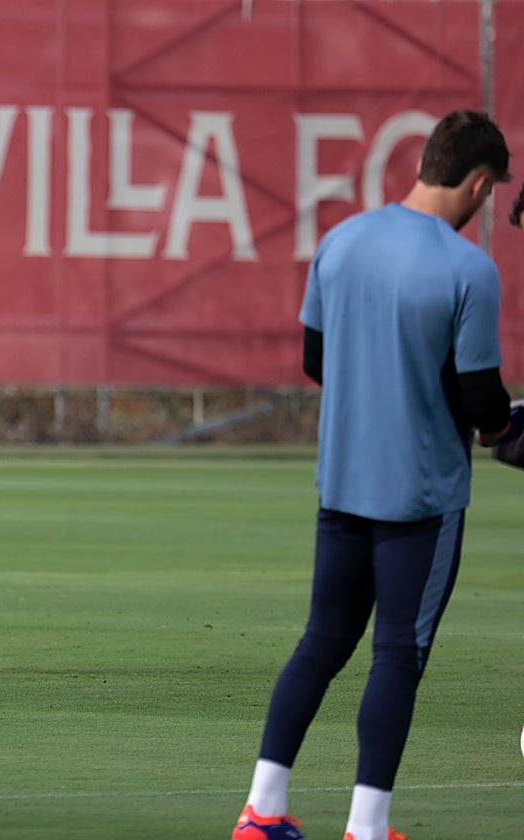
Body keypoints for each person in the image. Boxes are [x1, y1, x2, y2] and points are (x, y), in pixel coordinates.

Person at [232, 109, 517, 840]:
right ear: (481, 183)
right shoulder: (468, 269)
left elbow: (316, 362)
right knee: (398, 653)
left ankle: (262, 810)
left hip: (343, 483)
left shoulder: (342, 240)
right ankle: (366, 827)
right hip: (422, 497)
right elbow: (481, 394)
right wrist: (501, 432)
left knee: (322, 641)